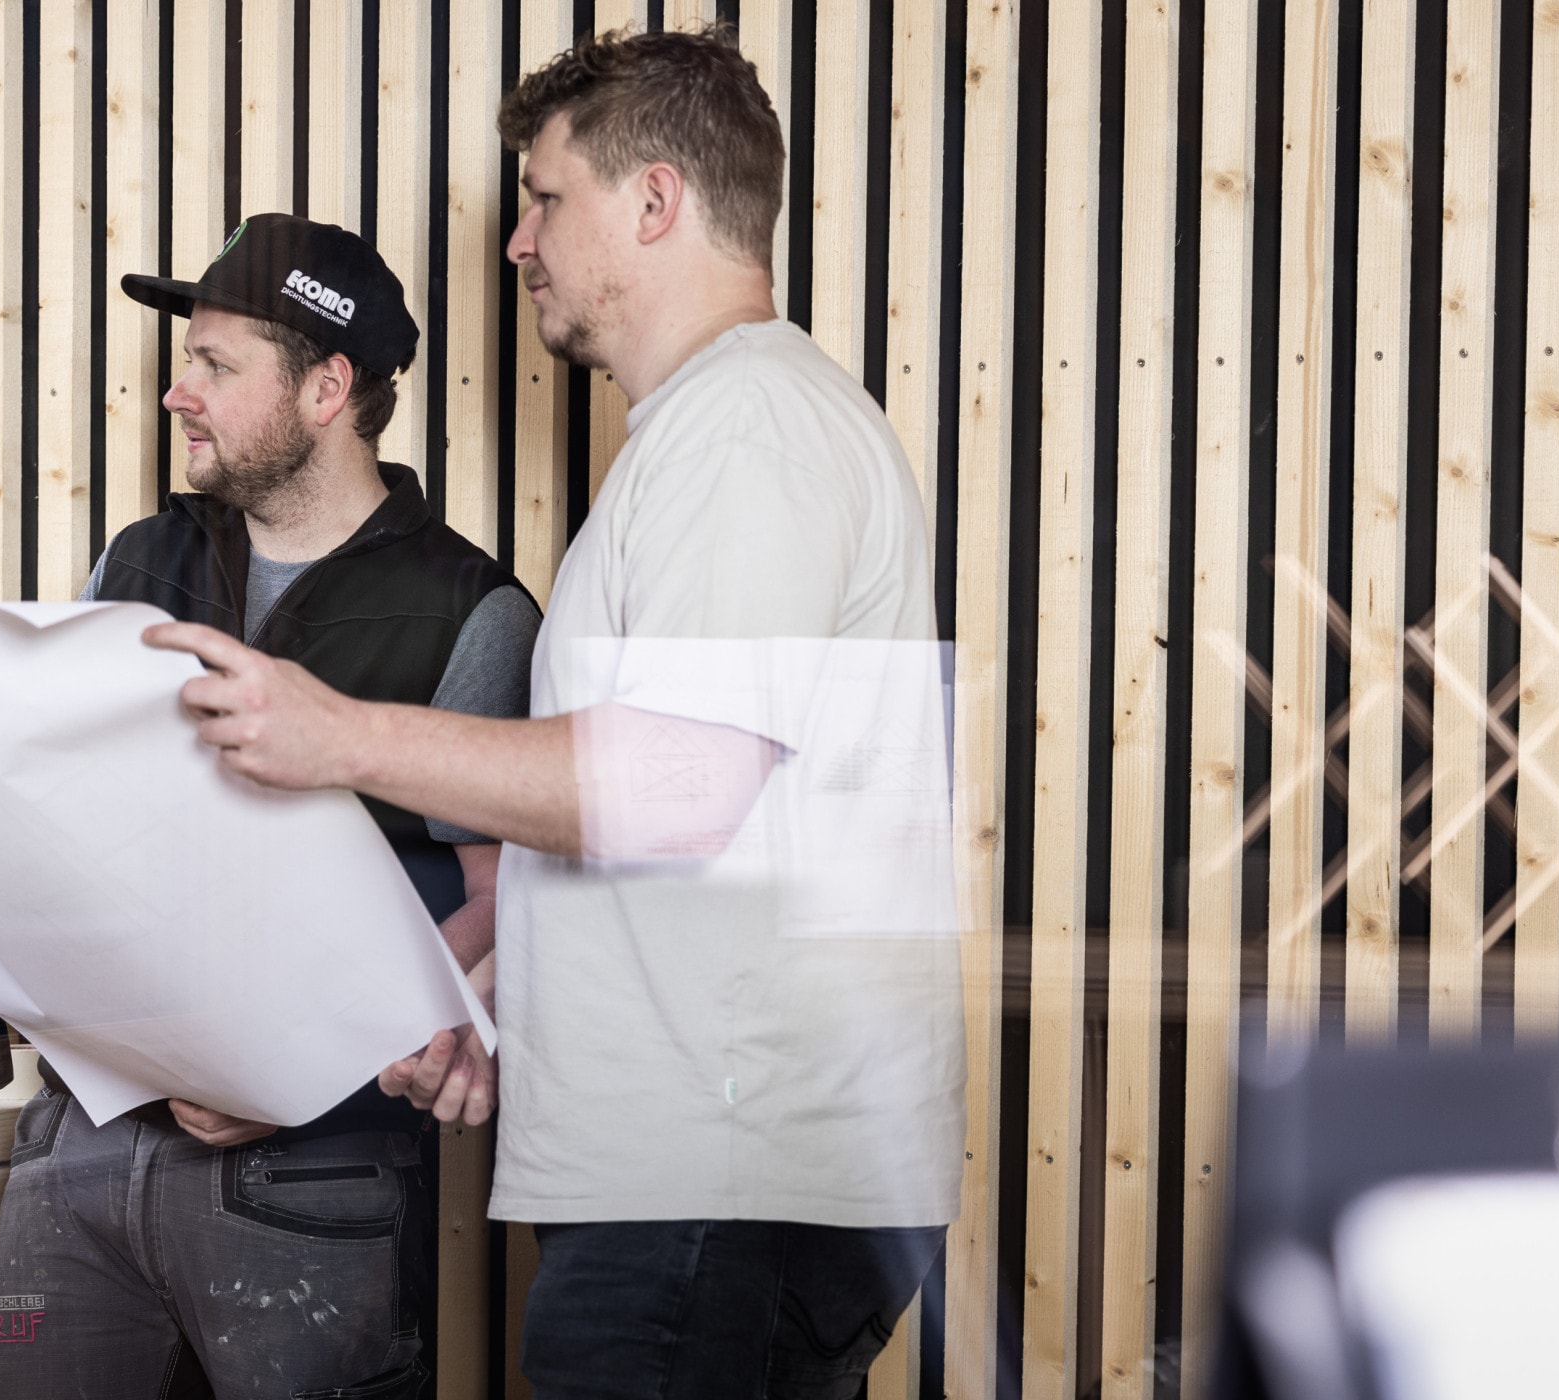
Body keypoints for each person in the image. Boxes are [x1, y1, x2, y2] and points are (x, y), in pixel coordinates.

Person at [140, 29, 959, 1400]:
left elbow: (681, 786)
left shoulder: (747, 427)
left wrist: (338, 733)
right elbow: (676, 822)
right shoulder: (705, 437)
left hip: (716, 1197)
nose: (518, 242)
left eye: (544, 198)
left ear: (655, 200)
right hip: (697, 1192)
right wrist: (488, 991)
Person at [0, 212, 536, 1399]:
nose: (176, 393)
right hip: (80, 1143)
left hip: (311, 1174)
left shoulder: (470, 609)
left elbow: (501, 912)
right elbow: (40, 786)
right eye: (185, 360)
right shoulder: (140, 558)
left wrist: (288, 1075)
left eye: (216, 366)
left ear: (327, 388)